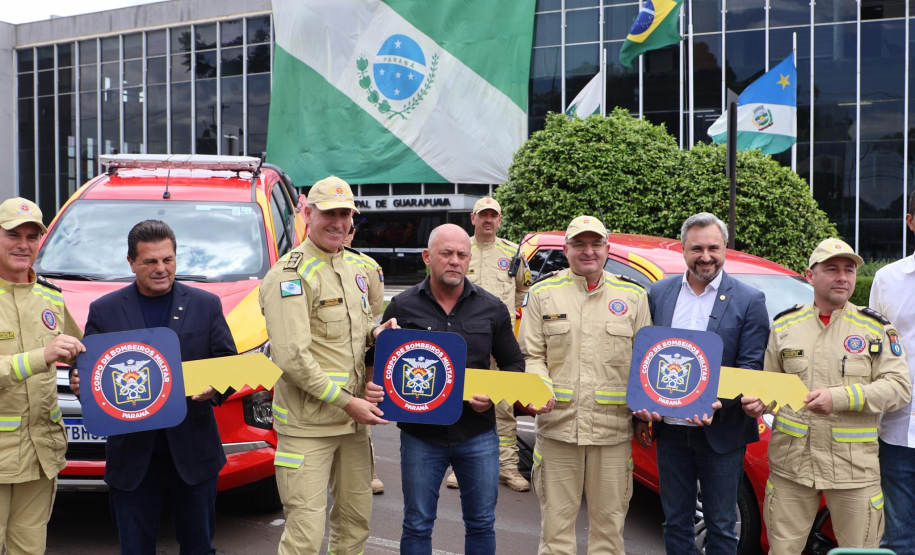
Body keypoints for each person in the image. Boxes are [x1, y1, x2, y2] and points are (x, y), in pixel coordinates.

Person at [69, 219, 236, 555]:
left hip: (193, 454)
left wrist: (215, 388)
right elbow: (88, 370)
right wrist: (80, 383)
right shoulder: (105, 310)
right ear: (131, 262)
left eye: (168, 260)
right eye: (150, 261)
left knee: (199, 549)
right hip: (132, 458)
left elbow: (228, 366)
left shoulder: (205, 305)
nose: (161, 269)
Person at [742, 238, 912, 554]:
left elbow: (899, 388)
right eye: (832, 269)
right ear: (810, 275)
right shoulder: (784, 325)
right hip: (793, 467)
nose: (843, 277)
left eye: (849, 270)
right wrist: (759, 402)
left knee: (859, 552)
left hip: (854, 471)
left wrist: (840, 398)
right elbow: (770, 387)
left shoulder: (875, 328)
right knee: (783, 550)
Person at [259, 176, 396, 555]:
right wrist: (348, 401)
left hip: (353, 424)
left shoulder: (359, 268)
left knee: (354, 525)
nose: (338, 222)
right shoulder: (290, 275)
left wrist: (377, 332)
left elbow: (360, 328)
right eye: (329, 213)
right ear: (307, 213)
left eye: (345, 214)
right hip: (308, 426)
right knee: (304, 534)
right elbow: (292, 358)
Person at [379, 223, 525, 555]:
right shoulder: (402, 306)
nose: (454, 261)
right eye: (446, 253)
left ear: (469, 258)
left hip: (478, 435)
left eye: (462, 254)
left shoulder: (492, 307)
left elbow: (515, 364)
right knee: (416, 524)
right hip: (420, 437)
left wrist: (490, 395)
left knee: (481, 524)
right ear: (428, 257)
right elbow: (378, 359)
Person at [633, 212, 769, 555]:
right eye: (697, 248)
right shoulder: (659, 293)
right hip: (671, 431)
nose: (705, 256)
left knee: (722, 527)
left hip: (721, 432)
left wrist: (717, 402)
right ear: (683, 250)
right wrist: (642, 410)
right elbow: (646, 357)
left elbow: (750, 366)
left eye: (713, 248)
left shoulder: (750, 299)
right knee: (675, 522)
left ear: (725, 248)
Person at [518, 215, 651, 555]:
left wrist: (644, 416)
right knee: (556, 532)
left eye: (596, 244)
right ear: (566, 249)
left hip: (612, 435)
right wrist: (538, 385)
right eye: (579, 244)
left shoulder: (634, 297)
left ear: (607, 249)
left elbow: (645, 364)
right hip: (558, 428)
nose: (588, 251)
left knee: (608, 532)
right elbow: (531, 354)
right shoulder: (543, 294)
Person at [0, 197, 84, 555]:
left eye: (32, 236)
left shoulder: (50, 297)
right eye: (13, 235)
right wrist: (41, 356)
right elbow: (46, 355)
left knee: (29, 550)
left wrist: (86, 382)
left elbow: (80, 351)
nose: (23, 244)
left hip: (40, 456)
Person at [446, 197, 531, 493]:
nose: (488, 220)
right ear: (473, 218)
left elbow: (523, 289)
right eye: (483, 215)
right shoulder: (460, 250)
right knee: (464, 401)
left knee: (504, 404)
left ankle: (507, 466)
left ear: (500, 219)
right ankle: (460, 466)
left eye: (493, 215)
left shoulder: (513, 252)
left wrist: (507, 315)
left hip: (500, 340)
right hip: (466, 342)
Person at [869, 192, 915, 555]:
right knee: (899, 538)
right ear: (910, 221)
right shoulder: (888, 279)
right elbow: (871, 351)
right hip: (898, 432)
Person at [343, 225, 386, 494]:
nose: (341, 231)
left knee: (361, 410)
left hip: (359, 352)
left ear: (354, 231)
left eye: (347, 227)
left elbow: (373, 311)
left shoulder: (368, 267)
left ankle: (368, 471)